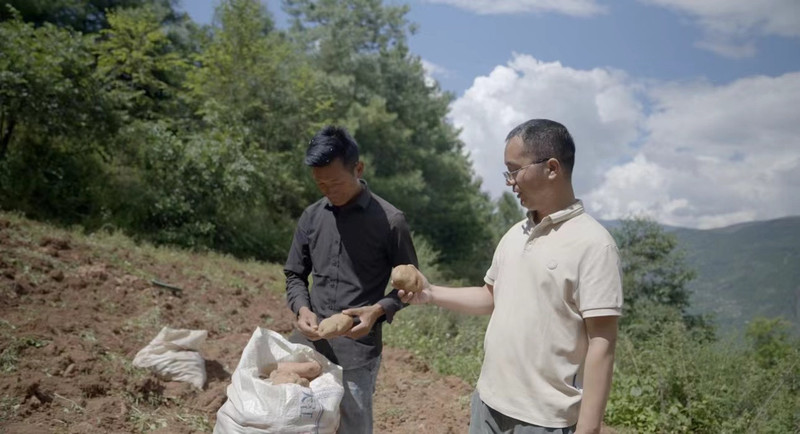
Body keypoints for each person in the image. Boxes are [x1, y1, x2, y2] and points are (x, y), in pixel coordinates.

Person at [398, 119, 622, 434]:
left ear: (552, 168)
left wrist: (588, 429)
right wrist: (430, 293)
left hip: (544, 420)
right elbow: (490, 296)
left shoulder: (595, 245)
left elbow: (602, 340)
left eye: (514, 170)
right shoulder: (515, 234)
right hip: (487, 404)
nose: (509, 181)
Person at [284, 125, 418, 434]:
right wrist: (302, 309)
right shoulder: (312, 216)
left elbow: (409, 287)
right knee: (297, 423)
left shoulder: (389, 221)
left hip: (357, 352)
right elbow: (294, 273)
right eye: (320, 184)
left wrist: (376, 311)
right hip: (308, 344)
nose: (328, 190)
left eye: (335, 182)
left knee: (352, 427)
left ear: (358, 168)